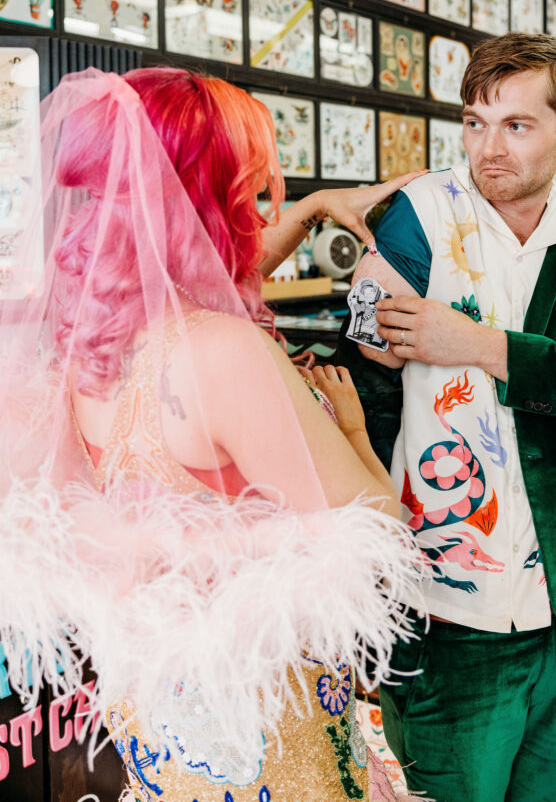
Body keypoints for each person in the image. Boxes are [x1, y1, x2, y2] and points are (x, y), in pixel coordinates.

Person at [0, 65, 424, 802]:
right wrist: (352, 432)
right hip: (267, 728)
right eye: (251, 191)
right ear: (206, 199)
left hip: (158, 727)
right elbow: (373, 532)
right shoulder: (221, 352)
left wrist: (315, 208)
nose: (261, 213)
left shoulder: (80, 345)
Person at [336, 33, 556, 802]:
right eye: (475, 122)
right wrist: (367, 327)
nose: (489, 147)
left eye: (516, 125)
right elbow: (361, 331)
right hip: (445, 597)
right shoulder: (422, 211)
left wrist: (484, 346)